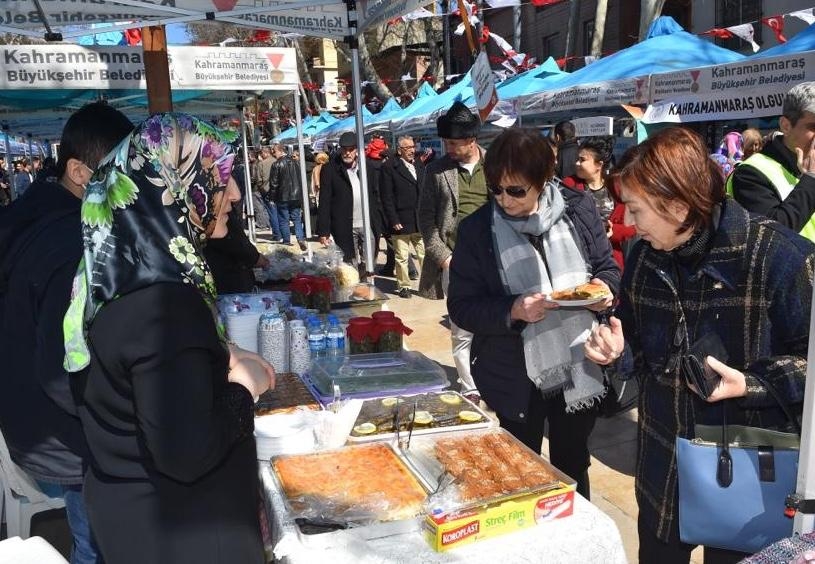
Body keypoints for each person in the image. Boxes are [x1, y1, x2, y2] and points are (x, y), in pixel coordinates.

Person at [585, 126, 813, 563]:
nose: (628, 223)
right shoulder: (645, 255)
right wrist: (616, 349)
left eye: (634, 209)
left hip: (748, 471)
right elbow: (632, 333)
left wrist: (753, 383)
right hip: (662, 466)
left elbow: (811, 362)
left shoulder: (782, 258)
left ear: (677, 205)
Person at [63, 113, 275, 564]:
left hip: (136, 518)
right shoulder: (165, 305)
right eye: (218, 178)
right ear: (176, 188)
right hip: (183, 533)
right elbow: (187, 453)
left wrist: (210, 358)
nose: (234, 194)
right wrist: (246, 388)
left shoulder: (113, 276)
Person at [447, 128, 620, 499]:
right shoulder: (477, 230)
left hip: (579, 363)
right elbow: (461, 306)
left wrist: (604, 292)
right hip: (513, 372)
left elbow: (607, 268)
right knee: (518, 470)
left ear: (543, 180)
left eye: (516, 190)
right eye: (496, 189)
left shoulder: (577, 207)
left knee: (572, 464)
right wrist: (513, 309)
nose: (504, 200)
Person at [0, 101, 134, 564]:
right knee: (99, 548)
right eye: (121, 168)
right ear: (80, 172)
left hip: (25, 418)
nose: (132, 183)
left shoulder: (27, 215)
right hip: (66, 440)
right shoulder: (69, 239)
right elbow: (64, 370)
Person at [418, 101, 487, 398]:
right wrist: (444, 258)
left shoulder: (494, 165)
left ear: (472, 140)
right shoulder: (436, 171)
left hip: (493, 260)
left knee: (493, 325)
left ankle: (491, 378)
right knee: (461, 330)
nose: (448, 147)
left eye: (454, 143)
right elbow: (425, 219)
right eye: (446, 142)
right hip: (455, 261)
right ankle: (470, 387)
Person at [728, 82, 815, 241]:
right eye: (813, 127)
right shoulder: (749, 173)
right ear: (786, 126)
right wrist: (811, 179)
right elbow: (774, 235)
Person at [563, 136, 635, 269]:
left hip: (612, 261)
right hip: (580, 260)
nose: (577, 163)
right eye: (577, 159)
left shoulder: (617, 187)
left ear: (599, 165)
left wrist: (613, 232)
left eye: (582, 160)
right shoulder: (568, 185)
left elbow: (634, 227)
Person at [317, 131, 383, 269]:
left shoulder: (367, 167)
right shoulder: (330, 170)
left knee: (370, 263)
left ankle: (366, 284)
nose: (347, 153)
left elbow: (376, 194)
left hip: (367, 222)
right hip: (344, 224)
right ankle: (354, 288)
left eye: (351, 150)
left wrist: (381, 219)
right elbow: (324, 201)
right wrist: (323, 230)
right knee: (349, 265)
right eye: (344, 150)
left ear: (356, 150)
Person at [204, 170, 270, 294]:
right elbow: (234, 241)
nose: (236, 196)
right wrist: (254, 258)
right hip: (229, 282)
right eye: (222, 178)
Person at [380, 135, 425, 298]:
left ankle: (427, 284)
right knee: (402, 256)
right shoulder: (390, 167)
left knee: (424, 254)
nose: (412, 150)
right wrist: (393, 219)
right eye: (408, 148)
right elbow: (386, 196)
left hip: (419, 218)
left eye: (413, 146)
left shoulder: (419, 164)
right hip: (400, 219)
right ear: (400, 150)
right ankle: (404, 286)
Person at [269, 144, 307, 251]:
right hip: (296, 195)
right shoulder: (296, 163)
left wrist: (272, 198)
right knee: (296, 218)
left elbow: (274, 183)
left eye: (274, 151)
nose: (273, 153)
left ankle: (287, 241)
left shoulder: (276, 164)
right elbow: (300, 179)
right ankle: (300, 238)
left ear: (280, 151)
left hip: (283, 196)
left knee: (283, 219)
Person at [255, 146, 281, 238]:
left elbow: (258, 179)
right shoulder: (277, 161)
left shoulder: (261, 164)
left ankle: (277, 234)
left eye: (262, 153)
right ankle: (283, 233)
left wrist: (262, 188)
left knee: (272, 212)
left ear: (265, 153)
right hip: (279, 190)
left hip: (267, 191)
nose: (261, 155)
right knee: (280, 212)